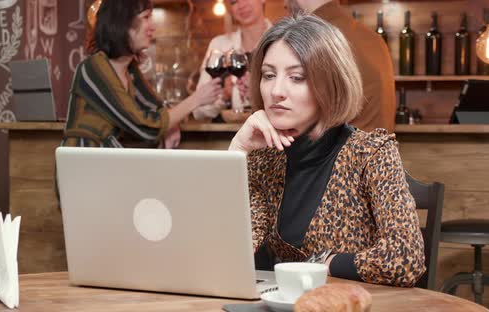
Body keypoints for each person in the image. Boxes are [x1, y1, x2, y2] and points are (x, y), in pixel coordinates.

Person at [229, 14, 425, 287]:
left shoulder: (370, 153)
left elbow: (406, 258)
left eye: (296, 77)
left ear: (330, 84)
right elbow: (225, 250)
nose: (276, 91)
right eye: (268, 75)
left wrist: (324, 262)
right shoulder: (265, 158)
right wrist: (236, 151)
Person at [62, 0, 222, 149]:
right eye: (146, 17)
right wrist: (196, 99)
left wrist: (172, 124)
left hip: (105, 163)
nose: (152, 27)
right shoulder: (93, 68)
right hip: (82, 165)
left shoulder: (128, 68)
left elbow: (156, 107)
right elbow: (144, 127)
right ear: (122, 23)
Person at [284, 0, 396, 132]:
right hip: (373, 149)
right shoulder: (372, 38)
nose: (284, 4)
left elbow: (296, 124)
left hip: (342, 150)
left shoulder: (314, 38)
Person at [193, 0, 272, 121]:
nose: (241, 5)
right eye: (234, 1)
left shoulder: (281, 41)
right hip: (230, 137)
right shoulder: (219, 45)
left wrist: (257, 95)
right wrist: (224, 97)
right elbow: (198, 111)